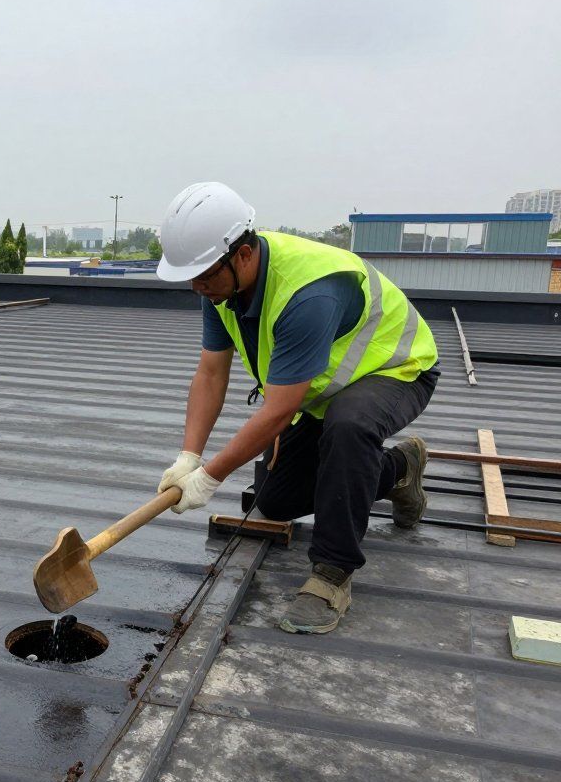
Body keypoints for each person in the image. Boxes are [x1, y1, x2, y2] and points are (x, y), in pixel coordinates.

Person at [155, 182, 440, 634]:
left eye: (205, 275)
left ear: (243, 255)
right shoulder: (222, 287)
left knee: (348, 429)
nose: (197, 287)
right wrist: (189, 455)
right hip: (323, 392)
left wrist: (209, 477)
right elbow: (210, 373)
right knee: (275, 499)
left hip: (395, 370)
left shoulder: (308, 292)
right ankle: (400, 468)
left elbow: (277, 412)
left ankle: (332, 574)